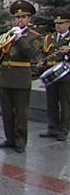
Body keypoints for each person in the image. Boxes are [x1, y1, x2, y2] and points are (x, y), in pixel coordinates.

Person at [0, 0, 41, 153]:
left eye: (23, 17)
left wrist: (19, 38)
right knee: (6, 110)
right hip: (6, 77)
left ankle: (20, 140)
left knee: (21, 112)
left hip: (21, 78)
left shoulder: (34, 36)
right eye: (17, 17)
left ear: (29, 19)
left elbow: (31, 55)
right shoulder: (8, 34)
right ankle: (9, 138)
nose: (20, 20)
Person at [39, 7, 70, 142]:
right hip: (51, 74)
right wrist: (41, 61)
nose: (58, 26)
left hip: (66, 75)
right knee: (51, 102)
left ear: (68, 23)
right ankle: (52, 128)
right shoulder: (49, 38)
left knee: (65, 103)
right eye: (56, 23)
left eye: (61, 23)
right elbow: (43, 52)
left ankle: (63, 129)